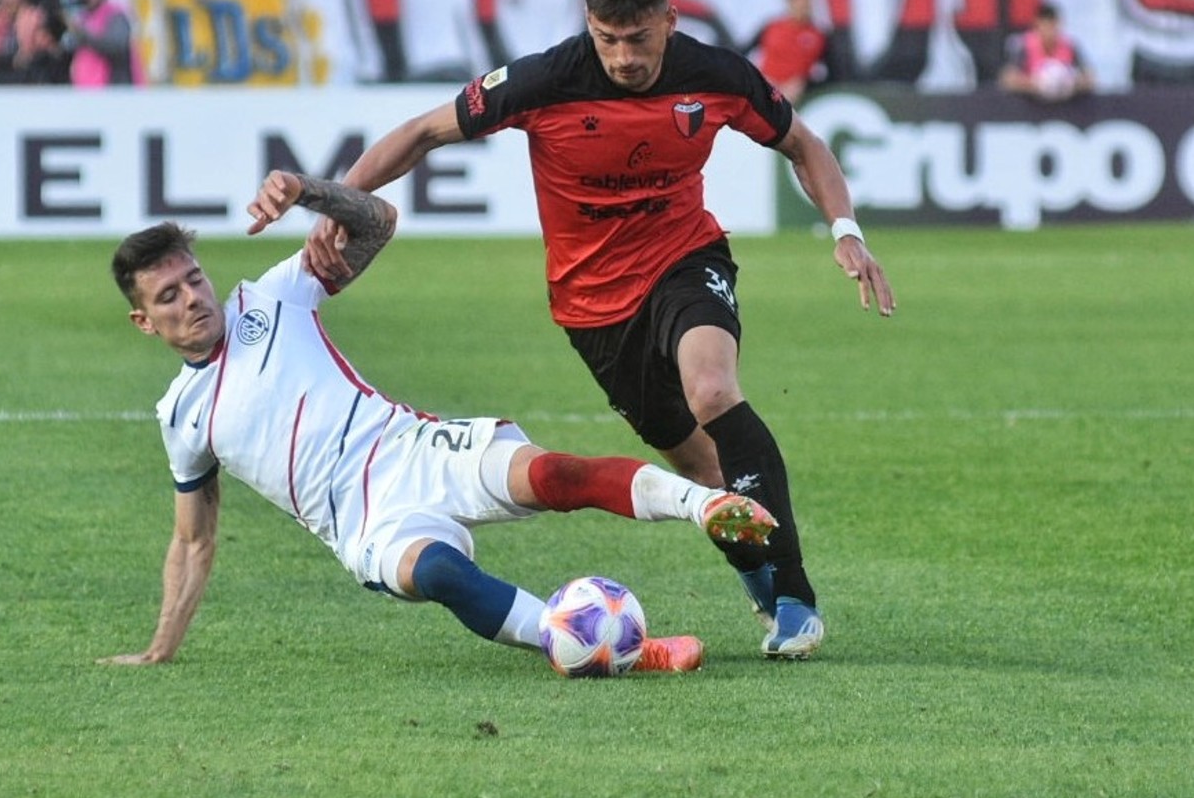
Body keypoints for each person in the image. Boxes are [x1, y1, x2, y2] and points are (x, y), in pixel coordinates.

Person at [307, 0, 895, 660]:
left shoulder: (714, 76)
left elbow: (803, 144)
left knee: (712, 387)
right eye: (606, 38)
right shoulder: (543, 79)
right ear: (588, 24)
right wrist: (335, 205)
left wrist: (846, 231)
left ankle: (794, 598)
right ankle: (756, 576)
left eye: (638, 38)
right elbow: (421, 132)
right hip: (592, 309)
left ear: (668, 22)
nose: (621, 56)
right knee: (702, 469)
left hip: (684, 259)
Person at [98, 170, 778, 671]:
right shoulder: (181, 416)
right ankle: (603, 644)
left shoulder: (272, 298)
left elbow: (379, 221)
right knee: (440, 575)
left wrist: (310, 192)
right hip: (364, 522)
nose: (191, 297)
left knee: (552, 473)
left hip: (417, 447)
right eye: (168, 294)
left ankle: (706, 501)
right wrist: (160, 647)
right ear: (142, 320)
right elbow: (192, 540)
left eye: (192, 278)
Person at [745, 0, 833, 104]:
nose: (804, 3)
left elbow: (831, 74)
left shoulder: (819, 35)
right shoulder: (771, 27)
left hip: (796, 97)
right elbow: (742, 51)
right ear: (789, 0)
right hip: (765, 89)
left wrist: (805, 83)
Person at [998, 0, 1093, 102]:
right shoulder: (1024, 46)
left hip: (1065, 104)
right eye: (1045, 26)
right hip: (1032, 104)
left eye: (1052, 26)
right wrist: (1038, 84)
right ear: (1037, 25)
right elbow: (1007, 79)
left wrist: (1068, 84)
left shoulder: (1069, 46)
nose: (1049, 31)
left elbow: (1090, 78)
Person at [60, 0, 138, 87]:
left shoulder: (114, 14)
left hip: (113, 88)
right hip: (87, 89)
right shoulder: (83, 17)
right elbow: (69, 45)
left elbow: (117, 45)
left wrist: (83, 34)